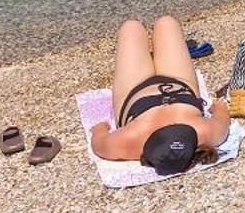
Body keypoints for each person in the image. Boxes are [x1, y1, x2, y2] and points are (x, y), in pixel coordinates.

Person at [87, 16, 233, 175]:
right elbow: (221, 110)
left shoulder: (129, 141)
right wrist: (100, 128)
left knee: (133, 27)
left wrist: (99, 128)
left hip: (146, 92)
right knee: (164, 23)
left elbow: (98, 141)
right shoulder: (206, 133)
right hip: (171, 87)